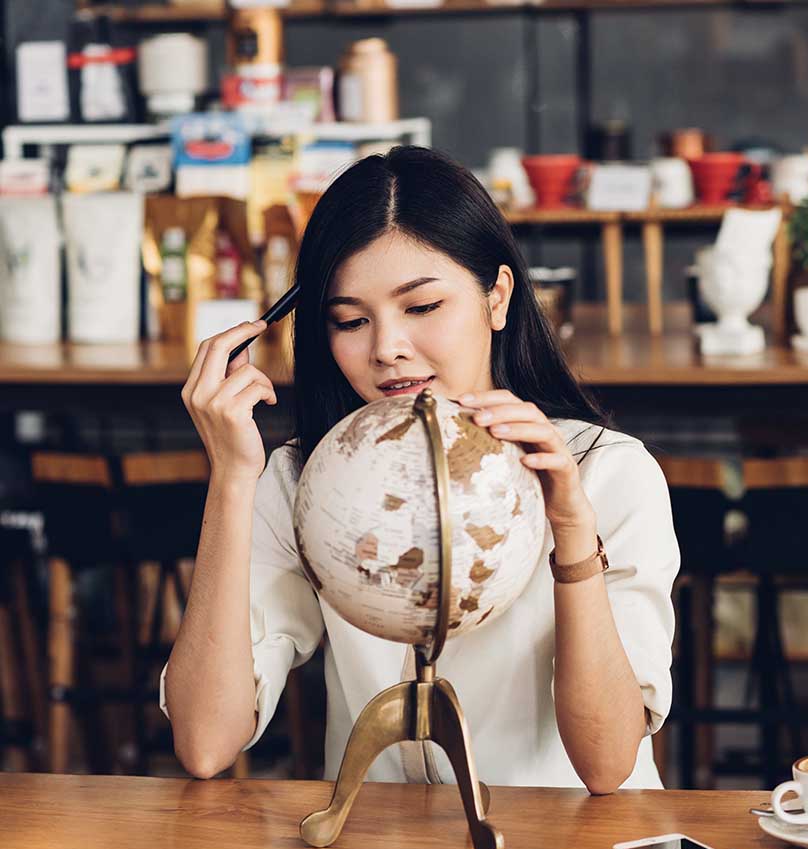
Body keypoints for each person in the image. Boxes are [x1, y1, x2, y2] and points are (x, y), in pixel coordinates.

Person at [162, 146, 680, 793]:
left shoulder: (607, 473)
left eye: (423, 307)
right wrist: (232, 480)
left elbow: (607, 768)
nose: (387, 349)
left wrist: (572, 529)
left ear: (497, 297)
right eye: (350, 320)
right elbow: (207, 742)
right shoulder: (308, 478)